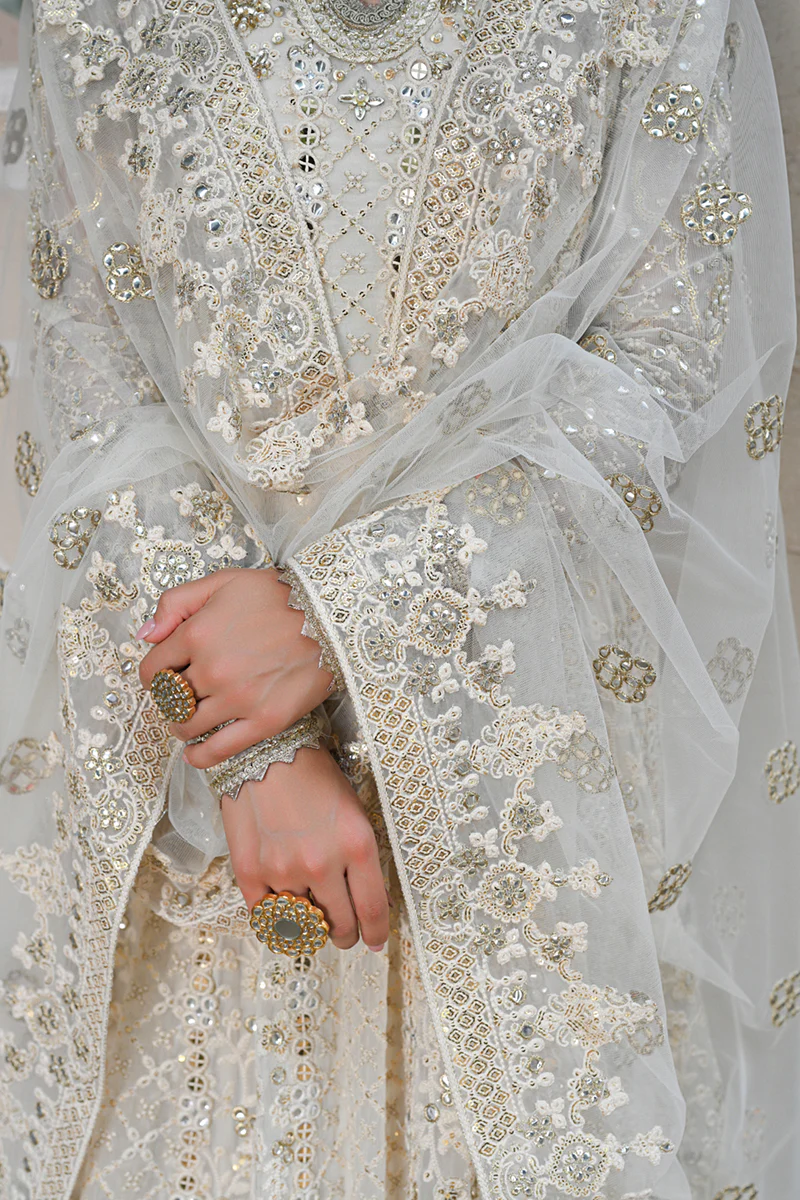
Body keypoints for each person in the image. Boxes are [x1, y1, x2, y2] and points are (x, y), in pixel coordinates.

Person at [0, 0, 798, 1195]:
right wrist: (250, 745)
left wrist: (330, 618)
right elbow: (94, 371)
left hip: (516, 787)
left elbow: (658, 377)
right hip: (203, 832)